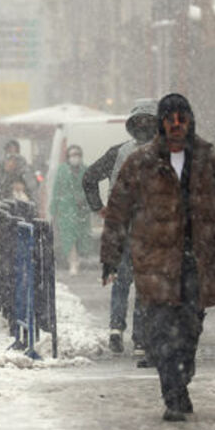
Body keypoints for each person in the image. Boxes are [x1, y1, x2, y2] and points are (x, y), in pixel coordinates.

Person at [100, 93, 215, 421]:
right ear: (162, 123)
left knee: (189, 329)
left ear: (190, 121)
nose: (177, 126)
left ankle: (182, 376)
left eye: (182, 119)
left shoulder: (210, 161)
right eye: (170, 119)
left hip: (197, 262)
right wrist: (110, 256)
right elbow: (118, 210)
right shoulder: (140, 162)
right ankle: (174, 393)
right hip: (155, 263)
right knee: (161, 332)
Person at [84, 98, 158, 357]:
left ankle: (116, 329)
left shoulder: (118, 151)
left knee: (121, 280)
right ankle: (139, 338)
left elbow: (89, 177)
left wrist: (99, 207)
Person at [50, 144, 91, 276]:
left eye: (78, 154)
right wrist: (53, 210)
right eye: (73, 155)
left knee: (81, 237)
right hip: (66, 209)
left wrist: (85, 200)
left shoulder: (86, 170)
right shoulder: (62, 171)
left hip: (82, 210)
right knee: (69, 237)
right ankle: (73, 262)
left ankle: (77, 259)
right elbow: (56, 189)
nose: (75, 158)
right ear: (68, 157)